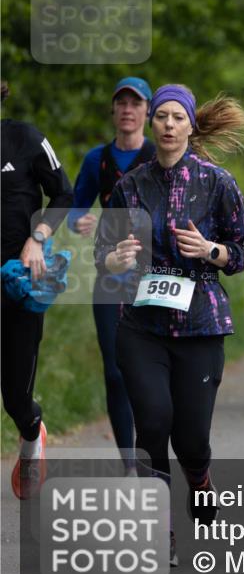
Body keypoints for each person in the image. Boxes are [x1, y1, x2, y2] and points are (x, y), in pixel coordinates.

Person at [95, 84, 244, 565]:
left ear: (189, 125)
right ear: (151, 124)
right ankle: (159, 530)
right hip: (141, 326)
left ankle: (200, 477)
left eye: (175, 117)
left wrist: (211, 251)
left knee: (191, 438)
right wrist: (116, 259)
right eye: (160, 116)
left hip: (201, 324)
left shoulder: (217, 182)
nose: (167, 124)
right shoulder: (130, 186)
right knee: (153, 421)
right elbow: (103, 253)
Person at [67, 77, 157, 469]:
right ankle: (129, 461)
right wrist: (79, 221)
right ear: (113, 111)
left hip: (153, 277)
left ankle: (154, 444)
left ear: (147, 112)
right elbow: (72, 207)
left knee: (151, 368)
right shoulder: (96, 160)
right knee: (116, 370)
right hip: (109, 275)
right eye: (120, 102)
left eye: (135, 103)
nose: (127, 109)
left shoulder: (158, 154)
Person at [1, 81, 73, 499]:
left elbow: (63, 192)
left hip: (19, 280)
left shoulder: (25, 138)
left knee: (15, 396)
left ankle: (31, 432)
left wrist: (39, 236)